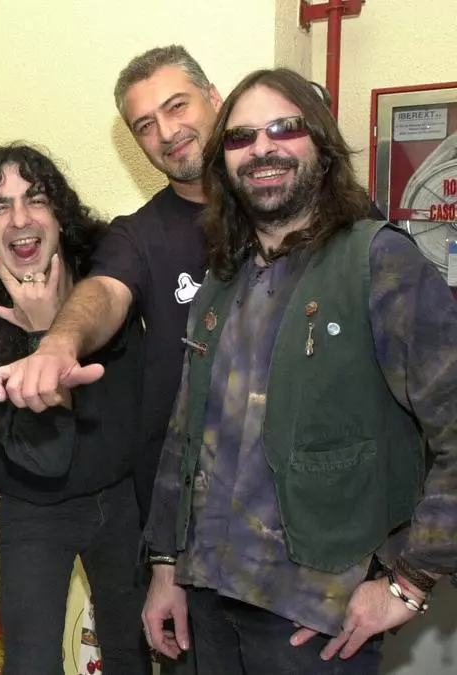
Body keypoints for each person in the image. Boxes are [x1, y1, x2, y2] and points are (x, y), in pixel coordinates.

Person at [141, 67, 457, 674]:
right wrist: (164, 567)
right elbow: (185, 437)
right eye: (241, 137)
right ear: (223, 162)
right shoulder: (220, 282)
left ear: (321, 144)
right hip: (207, 598)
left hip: (313, 617)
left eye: (284, 128)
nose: (261, 147)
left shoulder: (379, 261)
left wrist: (410, 582)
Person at [0, 45, 221, 533]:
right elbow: (106, 291)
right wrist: (57, 343)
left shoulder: (279, 204)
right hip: (186, 512)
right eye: (145, 125)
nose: (166, 132)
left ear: (214, 98)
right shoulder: (137, 234)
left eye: (177, 106)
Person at [0, 143, 149, 674]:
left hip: (120, 501)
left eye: (35, 199)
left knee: (131, 654)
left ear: (60, 215)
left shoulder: (105, 281)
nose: (20, 218)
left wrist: (60, 324)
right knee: (30, 663)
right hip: (35, 508)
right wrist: (42, 336)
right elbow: (45, 458)